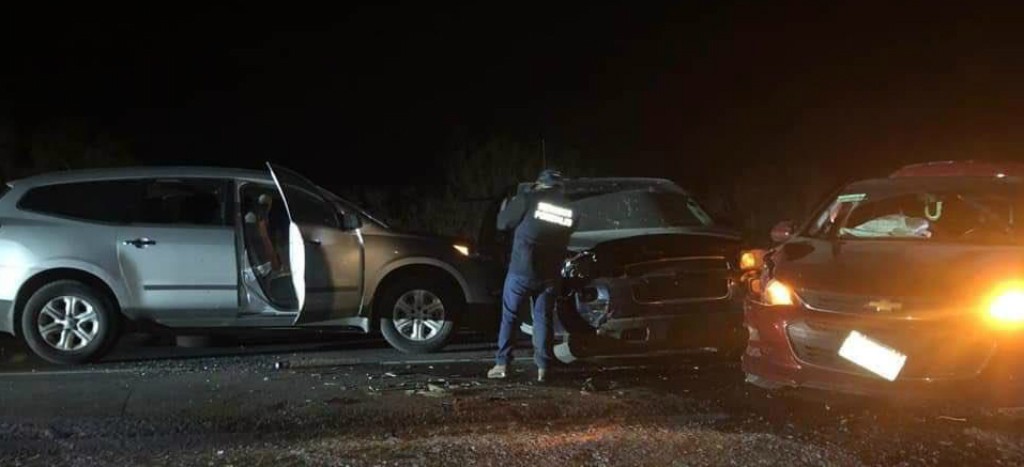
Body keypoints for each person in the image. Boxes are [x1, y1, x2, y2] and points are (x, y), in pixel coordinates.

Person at [487, 169, 577, 382]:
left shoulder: (528, 199)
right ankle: (544, 368)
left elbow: (502, 224)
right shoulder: (571, 209)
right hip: (550, 273)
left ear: (539, 185)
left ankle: (502, 364)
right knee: (543, 318)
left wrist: (507, 207)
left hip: (522, 270)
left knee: (510, 315)